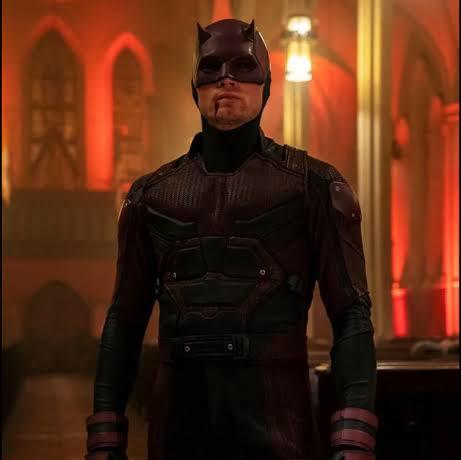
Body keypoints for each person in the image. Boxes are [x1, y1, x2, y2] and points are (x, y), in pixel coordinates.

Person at [85, 19, 378, 460]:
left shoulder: (314, 186)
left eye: (243, 66)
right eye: (212, 67)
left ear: (265, 85)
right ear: (194, 87)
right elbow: (124, 319)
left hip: (277, 422)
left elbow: (351, 313)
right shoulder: (150, 196)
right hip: (180, 423)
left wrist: (353, 436)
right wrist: (106, 431)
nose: (226, 79)